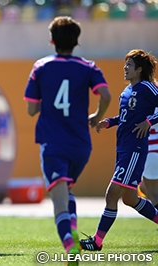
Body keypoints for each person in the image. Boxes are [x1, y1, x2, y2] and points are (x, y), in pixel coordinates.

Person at [23, 16, 111, 262]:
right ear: (77, 41)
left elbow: (31, 109)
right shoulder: (89, 67)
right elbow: (105, 94)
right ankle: (71, 229)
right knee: (67, 188)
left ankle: (71, 247)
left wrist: (48, 101)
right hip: (81, 144)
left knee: (59, 199)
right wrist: (96, 116)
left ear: (51, 40)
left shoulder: (41, 66)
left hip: (53, 142)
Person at [80, 49, 158, 251]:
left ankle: (97, 241)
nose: (125, 68)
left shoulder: (148, 87)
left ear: (139, 69)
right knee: (130, 198)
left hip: (134, 149)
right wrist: (110, 121)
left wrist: (149, 121)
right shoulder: (126, 92)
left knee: (111, 194)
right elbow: (126, 118)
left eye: (129, 65)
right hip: (122, 149)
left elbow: (146, 117)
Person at [138, 109, 158, 207]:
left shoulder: (147, 105)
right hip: (151, 151)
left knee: (153, 193)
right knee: (143, 187)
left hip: (151, 150)